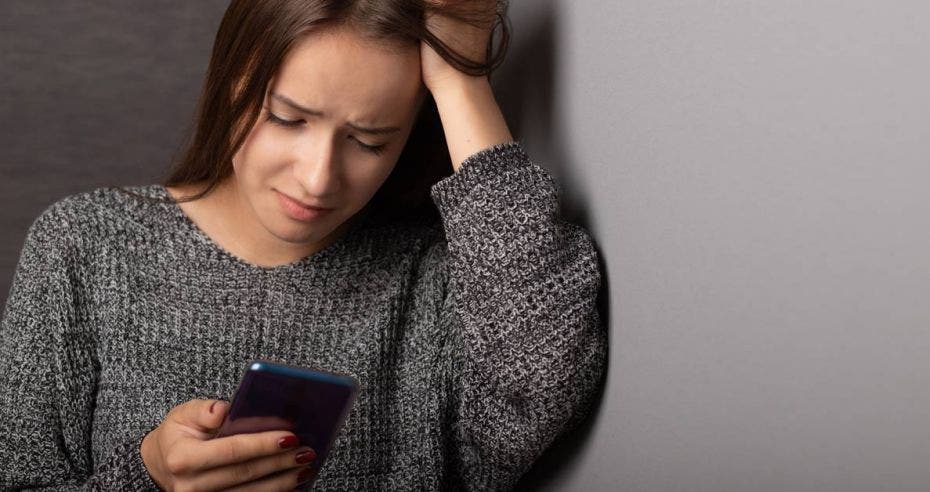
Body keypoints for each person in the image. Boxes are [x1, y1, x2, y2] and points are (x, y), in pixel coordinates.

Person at [0, 0, 607, 490]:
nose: (318, 179)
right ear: (229, 81)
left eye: (370, 141)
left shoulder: (443, 279)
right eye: (288, 119)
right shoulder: (84, 245)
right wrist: (148, 478)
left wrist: (460, 83)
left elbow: (542, 386)